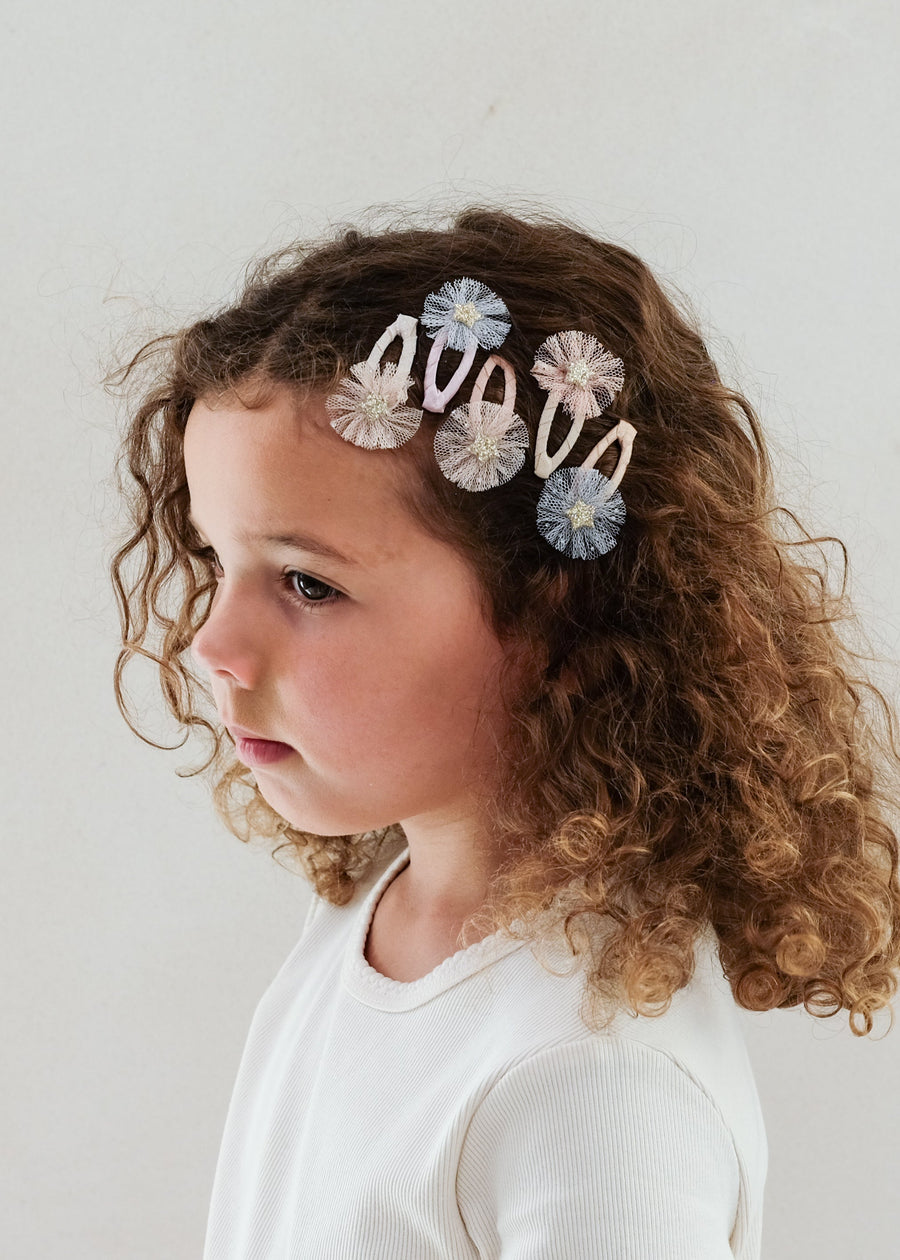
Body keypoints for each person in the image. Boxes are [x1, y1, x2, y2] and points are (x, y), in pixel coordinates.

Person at [107, 202, 900, 1259]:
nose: (212, 644)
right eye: (216, 561)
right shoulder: (377, 909)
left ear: (552, 610)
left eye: (306, 582)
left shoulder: (598, 1092)